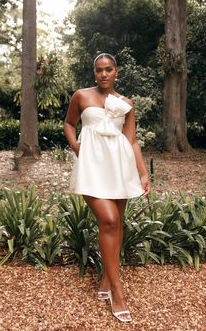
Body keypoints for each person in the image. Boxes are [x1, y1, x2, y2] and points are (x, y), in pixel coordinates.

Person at [64, 53, 150, 323]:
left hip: (120, 165)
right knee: (109, 219)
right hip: (92, 167)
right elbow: (69, 124)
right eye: (99, 70)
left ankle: (106, 277)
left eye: (108, 69)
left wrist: (143, 172)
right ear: (94, 73)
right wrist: (78, 148)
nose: (103, 74)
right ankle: (117, 290)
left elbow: (132, 140)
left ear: (116, 72)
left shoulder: (126, 103)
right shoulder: (81, 96)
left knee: (117, 222)